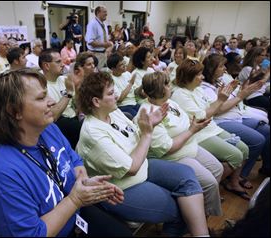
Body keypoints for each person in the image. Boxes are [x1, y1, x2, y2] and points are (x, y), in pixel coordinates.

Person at [0, 68, 132, 237]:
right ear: (14, 111)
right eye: (41, 97)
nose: (52, 101)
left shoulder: (49, 129)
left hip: (76, 215)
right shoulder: (1, 173)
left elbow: (75, 161)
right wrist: (75, 199)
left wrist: (84, 183)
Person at [76, 71, 210, 237]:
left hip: (142, 167)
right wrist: (147, 133)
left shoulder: (112, 112)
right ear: (96, 101)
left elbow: (133, 134)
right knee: (181, 210)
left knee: (187, 174)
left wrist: (148, 124)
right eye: (111, 93)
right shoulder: (93, 133)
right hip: (122, 187)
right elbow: (132, 168)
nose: (117, 94)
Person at [138, 71, 224, 217]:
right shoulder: (147, 114)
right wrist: (191, 130)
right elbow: (167, 149)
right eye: (167, 83)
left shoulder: (170, 102)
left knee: (218, 168)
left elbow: (185, 120)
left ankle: (201, 203)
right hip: (173, 156)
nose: (171, 85)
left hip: (189, 146)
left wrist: (193, 126)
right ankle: (201, 217)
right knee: (210, 182)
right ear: (160, 89)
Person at [172, 59, 251, 200]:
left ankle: (231, 182)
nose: (202, 77)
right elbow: (201, 117)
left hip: (212, 128)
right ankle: (208, 188)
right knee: (236, 156)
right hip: (199, 134)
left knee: (244, 149)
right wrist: (220, 100)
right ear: (189, 77)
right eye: (199, 74)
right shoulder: (180, 94)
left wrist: (223, 96)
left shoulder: (198, 89)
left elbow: (213, 108)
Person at [202, 54, 270, 187]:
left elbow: (233, 98)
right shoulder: (205, 87)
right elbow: (219, 110)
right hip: (222, 120)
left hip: (234, 114)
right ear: (212, 69)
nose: (225, 69)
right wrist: (240, 95)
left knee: (266, 130)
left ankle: (262, 168)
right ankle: (239, 176)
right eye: (221, 66)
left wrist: (243, 92)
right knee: (258, 140)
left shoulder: (219, 82)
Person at [39, 49, 82, 149]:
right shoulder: (41, 86)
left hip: (74, 119)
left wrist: (79, 87)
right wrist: (69, 93)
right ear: (47, 66)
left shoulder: (64, 79)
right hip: (59, 124)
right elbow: (53, 116)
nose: (63, 64)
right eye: (58, 62)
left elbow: (77, 105)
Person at [107, 53, 140, 117]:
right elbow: (119, 99)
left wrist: (142, 86)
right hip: (124, 106)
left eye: (124, 63)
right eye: (121, 65)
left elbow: (135, 92)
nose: (124, 66)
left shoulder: (127, 74)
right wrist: (130, 84)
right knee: (138, 118)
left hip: (134, 103)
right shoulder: (111, 80)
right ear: (113, 69)